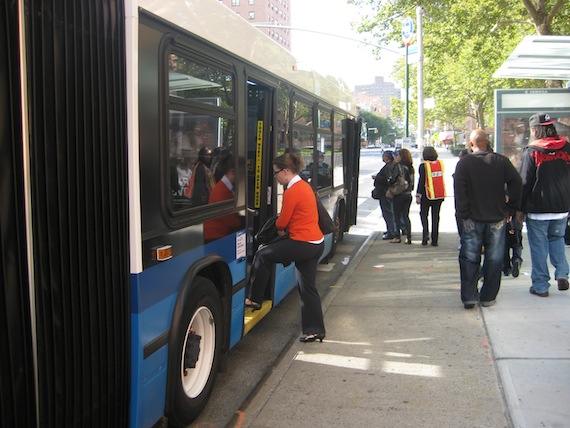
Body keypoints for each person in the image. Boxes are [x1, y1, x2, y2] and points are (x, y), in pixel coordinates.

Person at [245, 152, 326, 343]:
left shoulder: (293, 190)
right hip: (316, 243)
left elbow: (282, 221)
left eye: (276, 173)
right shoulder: (305, 186)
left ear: (286, 171)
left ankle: (254, 298)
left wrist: (281, 230)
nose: (276, 177)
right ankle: (315, 330)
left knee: (263, 254)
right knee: (308, 288)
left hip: (302, 243)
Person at [454, 129, 522, 309]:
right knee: (494, 258)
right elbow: (517, 183)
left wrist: (462, 215)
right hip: (497, 217)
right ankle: (488, 296)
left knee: (469, 258)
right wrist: (510, 207)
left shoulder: (464, 164)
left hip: (471, 218)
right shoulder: (501, 161)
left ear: (471, 144)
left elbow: (459, 193)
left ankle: (469, 296)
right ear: (487, 142)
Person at [519, 113, 570, 297]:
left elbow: (524, 182)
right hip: (562, 207)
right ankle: (562, 272)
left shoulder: (532, 151)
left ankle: (541, 285)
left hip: (538, 208)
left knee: (539, 246)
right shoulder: (567, 147)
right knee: (557, 239)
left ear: (534, 130)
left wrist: (520, 208)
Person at [203, 156, 243, 242]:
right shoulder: (221, 191)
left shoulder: (226, 187)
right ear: (233, 172)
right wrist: (242, 222)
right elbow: (228, 218)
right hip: (216, 236)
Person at [416, 146, 445, 246]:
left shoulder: (423, 166)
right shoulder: (440, 164)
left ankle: (425, 236)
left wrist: (418, 195)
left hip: (426, 194)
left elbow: (421, 181)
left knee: (424, 215)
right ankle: (435, 240)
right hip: (438, 195)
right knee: (436, 217)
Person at [390, 149, 414, 244]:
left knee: (396, 216)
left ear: (401, 156)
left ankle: (397, 237)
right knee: (406, 216)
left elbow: (392, 179)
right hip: (408, 194)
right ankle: (409, 237)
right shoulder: (411, 167)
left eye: (398, 155)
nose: (397, 157)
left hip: (399, 194)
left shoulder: (398, 167)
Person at [373, 151, 398, 240]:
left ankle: (392, 232)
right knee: (389, 212)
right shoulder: (391, 166)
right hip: (387, 192)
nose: (382, 158)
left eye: (383, 156)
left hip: (386, 193)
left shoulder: (389, 167)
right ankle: (391, 230)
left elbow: (388, 180)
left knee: (388, 213)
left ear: (387, 158)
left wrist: (377, 178)